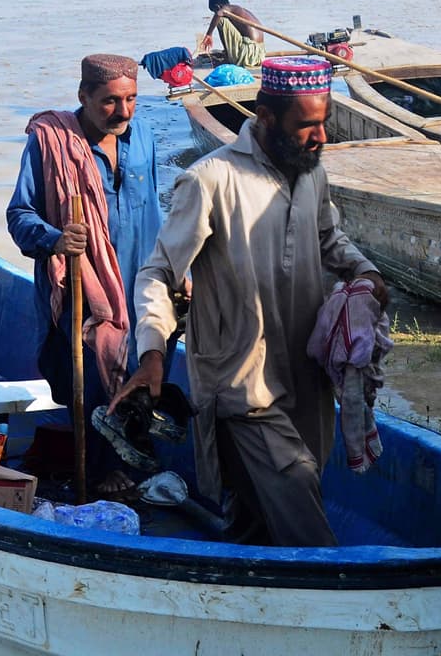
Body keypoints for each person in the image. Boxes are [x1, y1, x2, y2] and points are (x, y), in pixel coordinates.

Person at [127, 55, 388, 546]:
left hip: (306, 374)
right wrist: (153, 352)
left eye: (324, 123)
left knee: (258, 514)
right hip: (238, 384)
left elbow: (330, 239)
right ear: (265, 118)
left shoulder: (311, 173)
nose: (322, 138)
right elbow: (158, 272)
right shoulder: (209, 180)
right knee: (294, 482)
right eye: (307, 126)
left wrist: (364, 272)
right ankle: (336, 603)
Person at [6, 53, 163, 496]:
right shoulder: (49, 142)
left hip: (141, 280)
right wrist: (54, 238)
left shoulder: (144, 137)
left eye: (132, 99)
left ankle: (131, 457)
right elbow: (19, 214)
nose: (124, 111)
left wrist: (177, 270)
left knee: (142, 371)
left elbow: (154, 211)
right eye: (110, 102)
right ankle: (99, 472)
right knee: (92, 376)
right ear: (84, 96)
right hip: (83, 284)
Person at [201, 0, 266, 69]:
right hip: (259, 56)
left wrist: (209, 34)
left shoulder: (226, 9)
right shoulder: (240, 10)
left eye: (214, 10)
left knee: (220, 20)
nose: (215, 13)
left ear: (218, 6)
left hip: (247, 55)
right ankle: (228, 53)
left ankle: (228, 56)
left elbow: (219, 14)